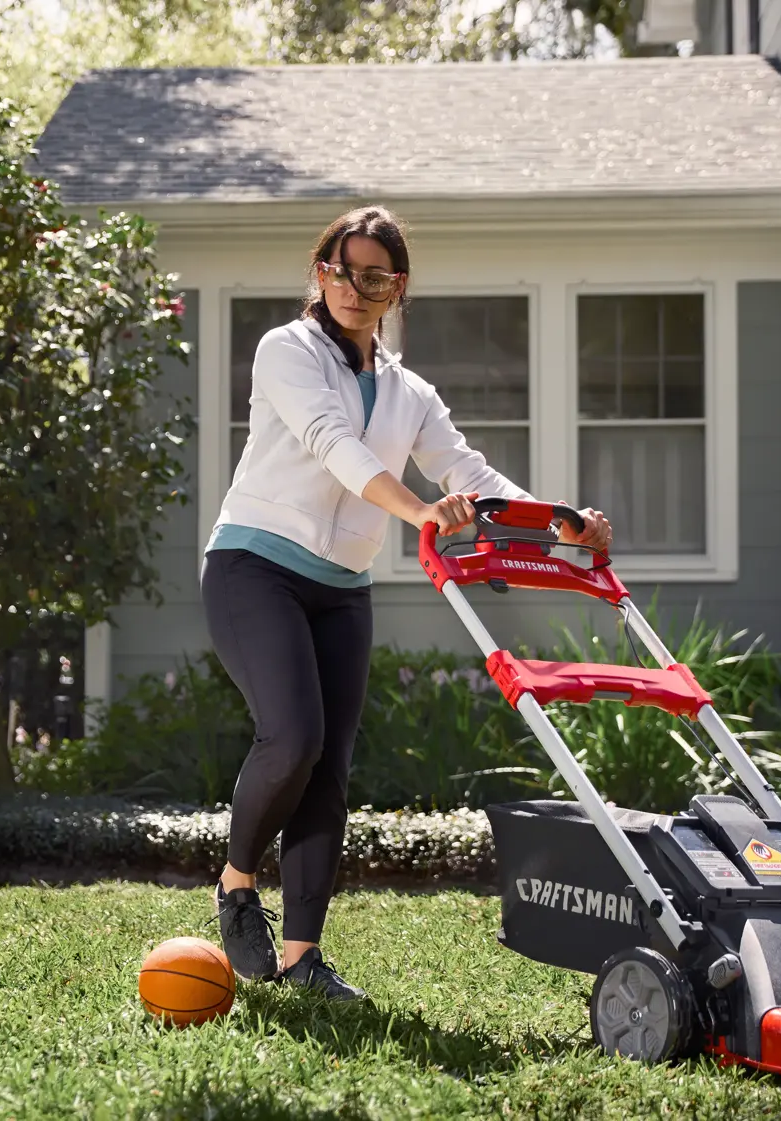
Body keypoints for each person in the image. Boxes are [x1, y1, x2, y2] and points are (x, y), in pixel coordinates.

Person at [202, 206, 614, 1001]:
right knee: (292, 738)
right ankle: (236, 885)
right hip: (254, 566)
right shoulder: (285, 351)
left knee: (329, 771)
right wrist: (422, 512)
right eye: (342, 270)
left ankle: (302, 958)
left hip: (342, 589)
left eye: (376, 276)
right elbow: (334, 445)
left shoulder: (409, 391)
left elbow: (470, 473)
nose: (356, 289)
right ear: (320, 272)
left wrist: (564, 524)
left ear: (398, 289)